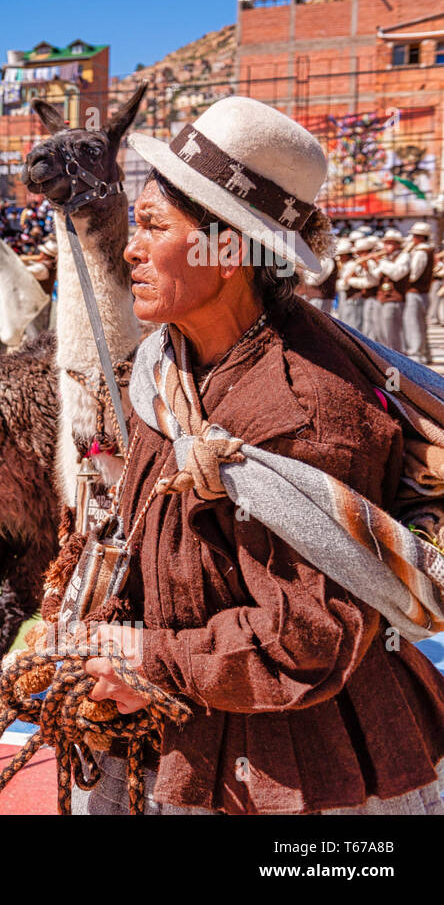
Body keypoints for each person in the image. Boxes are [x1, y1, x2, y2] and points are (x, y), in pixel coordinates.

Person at [76, 96, 444, 815]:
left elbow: (307, 634)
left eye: (154, 226)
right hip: (181, 731)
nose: (131, 248)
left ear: (231, 248)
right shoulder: (164, 369)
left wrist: (144, 658)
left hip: (305, 776)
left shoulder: (304, 411)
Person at [368, 229, 408, 352]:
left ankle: (397, 357)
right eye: (385, 243)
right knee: (381, 332)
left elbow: (397, 274)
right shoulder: (386, 259)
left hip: (394, 299)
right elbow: (376, 276)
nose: (386, 246)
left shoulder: (404, 256)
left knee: (392, 333)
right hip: (381, 298)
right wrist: (368, 267)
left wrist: (380, 261)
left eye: (389, 243)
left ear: (397, 244)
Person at [403, 222, 435, 365]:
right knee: (421, 325)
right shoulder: (426, 250)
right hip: (422, 293)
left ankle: (416, 355)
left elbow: (413, 275)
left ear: (419, 237)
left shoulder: (421, 252)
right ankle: (425, 354)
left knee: (414, 324)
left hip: (415, 292)